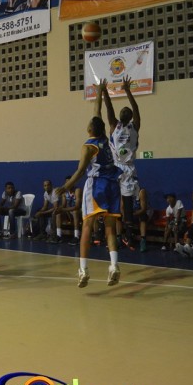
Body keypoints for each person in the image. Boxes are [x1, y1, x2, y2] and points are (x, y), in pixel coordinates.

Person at [59, 83, 122, 288]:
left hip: (97, 185)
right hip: (114, 184)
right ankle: (114, 265)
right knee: (110, 227)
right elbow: (97, 111)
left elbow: (79, 172)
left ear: (89, 129)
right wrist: (101, 91)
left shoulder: (88, 146)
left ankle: (83, 269)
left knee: (87, 225)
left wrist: (66, 186)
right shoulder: (105, 139)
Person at [98, 76, 141, 248]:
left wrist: (128, 91)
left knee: (128, 205)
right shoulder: (114, 125)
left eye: (126, 110)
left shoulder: (134, 127)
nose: (124, 111)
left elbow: (136, 108)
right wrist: (104, 92)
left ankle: (129, 236)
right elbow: (108, 108)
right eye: (122, 110)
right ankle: (107, 234)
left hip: (128, 169)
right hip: (115, 167)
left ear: (129, 116)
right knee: (110, 202)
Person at [56, 178, 82, 245]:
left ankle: (76, 237)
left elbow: (77, 206)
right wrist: (58, 209)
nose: (68, 184)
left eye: (70, 182)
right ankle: (58, 236)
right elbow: (64, 205)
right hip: (69, 211)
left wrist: (64, 209)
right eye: (67, 183)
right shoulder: (64, 192)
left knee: (75, 212)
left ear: (73, 182)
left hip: (80, 212)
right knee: (58, 213)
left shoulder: (77, 190)